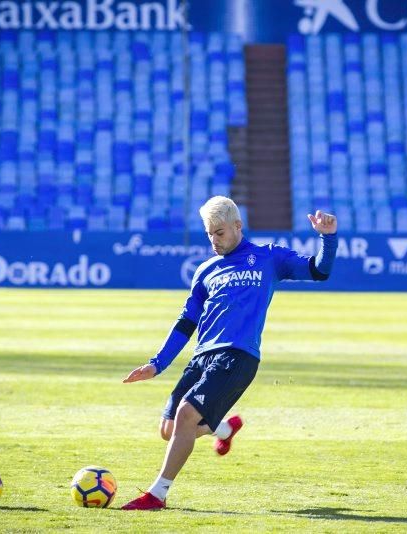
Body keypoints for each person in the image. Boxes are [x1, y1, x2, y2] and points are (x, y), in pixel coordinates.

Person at [120, 196, 338, 511]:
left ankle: (157, 494)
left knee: (185, 416)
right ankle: (224, 427)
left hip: (238, 356)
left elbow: (319, 271)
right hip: (201, 358)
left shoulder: (268, 258)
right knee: (169, 430)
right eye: (209, 233)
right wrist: (157, 364)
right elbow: (186, 323)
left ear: (238, 226)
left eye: (219, 232)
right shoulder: (205, 271)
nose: (214, 240)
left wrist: (327, 238)